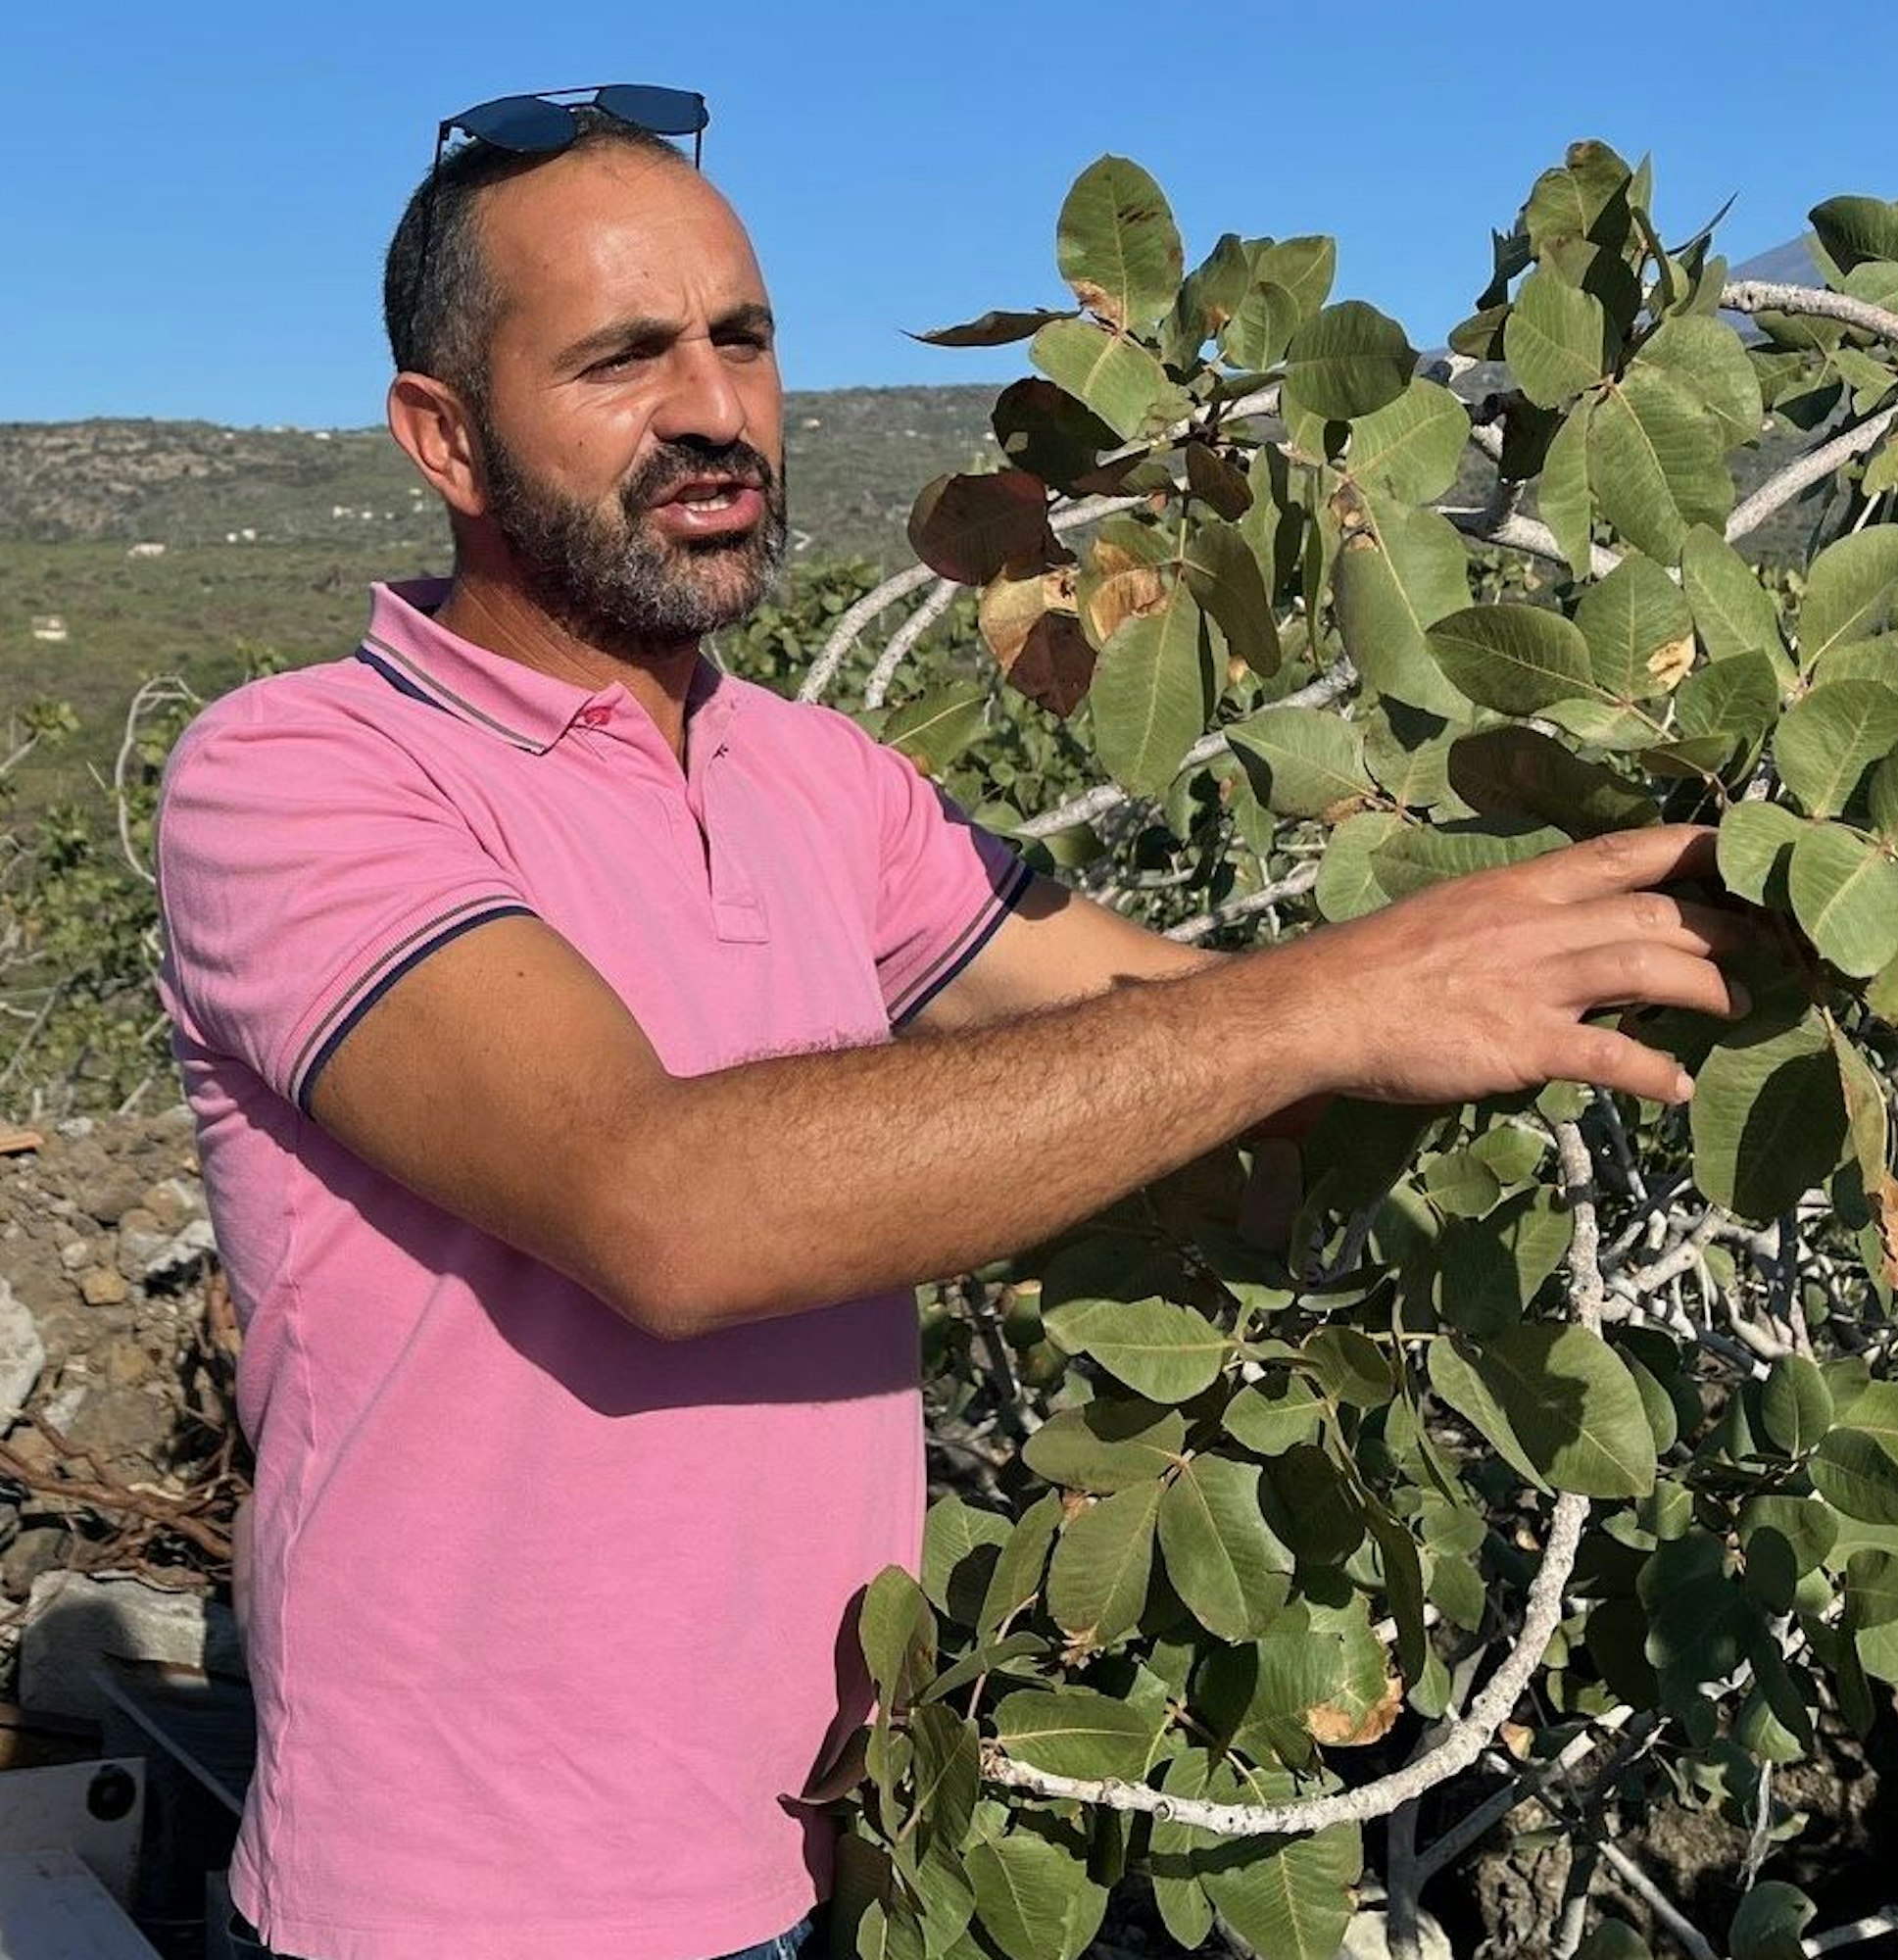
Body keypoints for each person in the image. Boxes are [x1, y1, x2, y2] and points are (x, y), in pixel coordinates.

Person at [155, 90, 1751, 1960]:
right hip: (472, 1909)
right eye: (622, 357)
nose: (713, 409)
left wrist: (1700, 918)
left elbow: (1181, 1030)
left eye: (741, 338)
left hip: (838, 1860)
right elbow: (661, 1207)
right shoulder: (295, 775)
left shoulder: (819, 780)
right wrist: (1341, 997)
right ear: (445, 435)